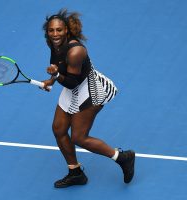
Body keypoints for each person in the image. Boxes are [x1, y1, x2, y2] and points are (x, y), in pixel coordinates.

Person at [41, 9, 135, 188]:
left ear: (66, 31)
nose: (54, 34)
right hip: (73, 83)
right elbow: (59, 66)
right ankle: (75, 172)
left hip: (90, 90)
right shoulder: (53, 43)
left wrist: (57, 75)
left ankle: (123, 158)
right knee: (59, 129)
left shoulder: (76, 51)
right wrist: (51, 80)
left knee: (79, 137)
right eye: (51, 30)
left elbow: (71, 83)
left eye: (59, 30)